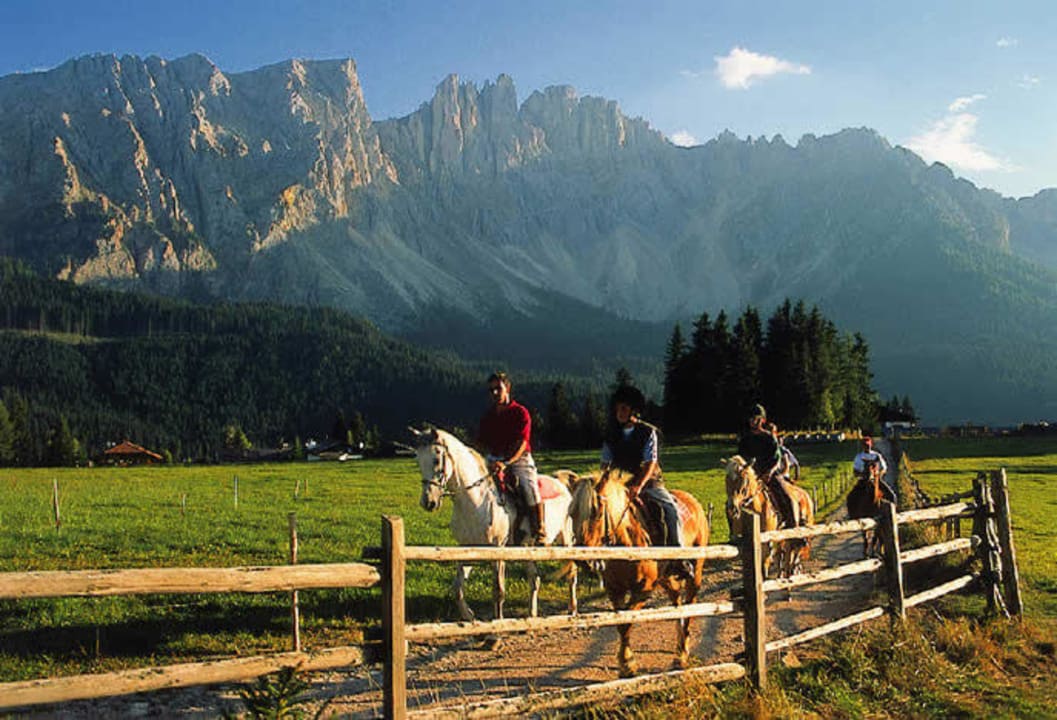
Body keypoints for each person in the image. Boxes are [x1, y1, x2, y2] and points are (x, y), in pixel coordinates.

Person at [601, 385, 693, 579]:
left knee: (670, 509)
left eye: (624, 409)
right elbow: (605, 463)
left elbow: (650, 463)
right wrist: (605, 485)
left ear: (633, 410)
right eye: (617, 409)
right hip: (620, 486)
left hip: (649, 483)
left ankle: (678, 557)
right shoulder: (611, 434)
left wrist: (639, 486)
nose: (619, 413)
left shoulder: (647, 432)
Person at [477, 371, 547, 544]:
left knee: (529, 488)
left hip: (519, 460)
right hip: (494, 459)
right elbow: (481, 441)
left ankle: (539, 529)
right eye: (491, 390)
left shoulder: (520, 413)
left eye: (498, 389)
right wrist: (487, 459)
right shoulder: (488, 416)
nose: (494, 393)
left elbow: (522, 443)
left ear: (507, 388)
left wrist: (506, 463)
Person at [736, 405, 797, 527]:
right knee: (733, 500)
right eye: (751, 419)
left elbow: (777, 458)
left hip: (770, 474)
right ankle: (734, 530)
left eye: (756, 419)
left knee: (787, 496)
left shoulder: (769, 438)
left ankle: (793, 526)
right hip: (752, 474)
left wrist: (769, 473)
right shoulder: (745, 439)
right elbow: (742, 458)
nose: (753, 421)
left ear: (762, 420)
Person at [853, 436, 896, 503]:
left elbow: (884, 468)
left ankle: (893, 508)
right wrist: (863, 475)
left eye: (868, 445)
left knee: (892, 496)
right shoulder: (858, 457)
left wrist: (879, 475)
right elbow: (855, 471)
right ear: (862, 446)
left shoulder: (876, 455)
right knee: (852, 497)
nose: (867, 447)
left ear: (871, 445)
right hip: (863, 480)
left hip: (876, 479)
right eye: (865, 445)